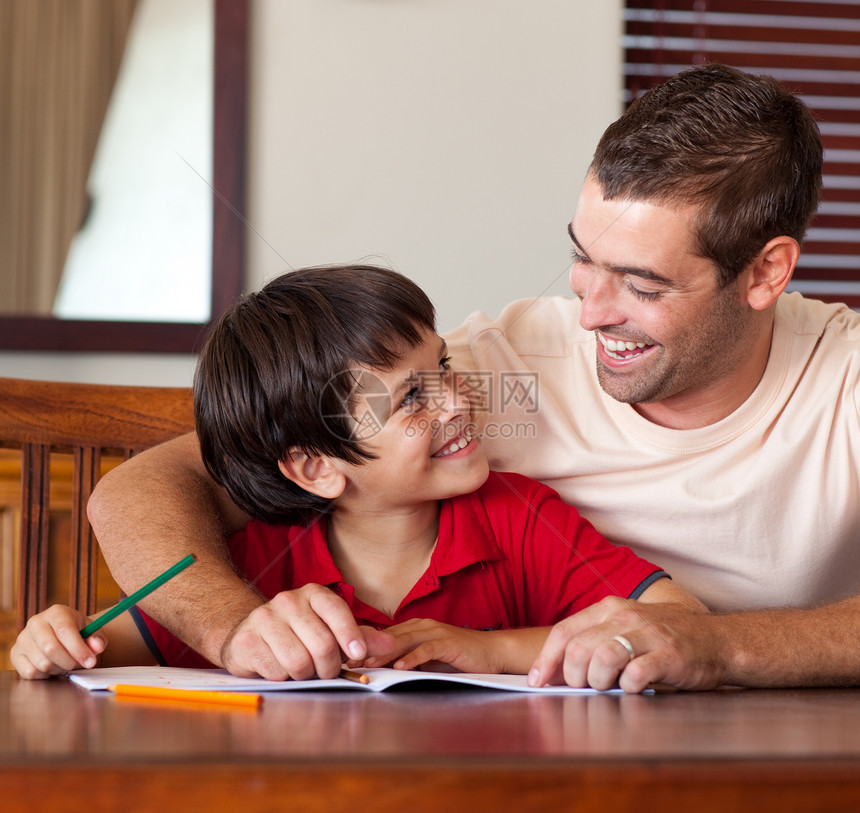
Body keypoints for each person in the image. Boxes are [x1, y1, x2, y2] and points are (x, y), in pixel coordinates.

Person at [84, 62, 860, 693]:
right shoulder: (499, 371)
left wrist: (720, 648)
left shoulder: (845, 377)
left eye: (643, 286)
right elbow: (143, 487)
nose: (589, 313)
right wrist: (232, 627)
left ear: (766, 274)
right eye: (584, 258)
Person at [13, 265, 702, 682]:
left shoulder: (519, 516)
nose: (456, 398)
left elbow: (680, 620)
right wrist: (59, 639)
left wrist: (492, 651)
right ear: (315, 467)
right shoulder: (251, 564)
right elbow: (102, 650)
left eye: (444, 368)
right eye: (410, 398)